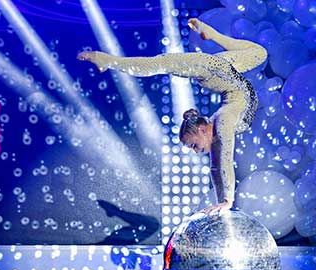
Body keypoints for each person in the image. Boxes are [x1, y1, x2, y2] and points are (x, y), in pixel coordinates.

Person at [78, 18, 267, 214]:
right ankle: (108, 60)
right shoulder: (222, 124)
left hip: (216, 69)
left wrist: (226, 201)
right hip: (223, 71)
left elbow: (222, 163)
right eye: (193, 147)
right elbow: (217, 167)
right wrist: (224, 203)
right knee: (258, 53)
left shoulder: (223, 121)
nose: (195, 151)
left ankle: (108, 61)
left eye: (193, 144)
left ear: (202, 129)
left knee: (163, 63)